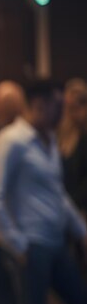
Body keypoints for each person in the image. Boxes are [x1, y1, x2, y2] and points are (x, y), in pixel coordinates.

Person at [0, 80, 87, 304]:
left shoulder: (50, 138)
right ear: (39, 105)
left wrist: (81, 232)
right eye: (58, 107)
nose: (62, 114)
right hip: (32, 246)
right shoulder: (11, 141)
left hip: (54, 242)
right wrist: (19, 247)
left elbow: (58, 194)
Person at [58, 77, 87, 217]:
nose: (71, 113)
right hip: (65, 206)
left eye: (76, 107)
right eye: (68, 108)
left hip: (79, 208)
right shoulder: (60, 134)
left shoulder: (83, 136)